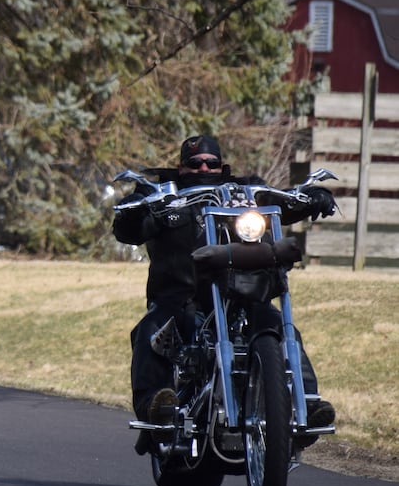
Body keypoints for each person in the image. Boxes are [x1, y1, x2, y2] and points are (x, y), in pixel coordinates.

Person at [112, 133, 338, 454]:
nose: (204, 168)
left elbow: (278, 203)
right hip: (180, 297)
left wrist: (310, 196)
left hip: (238, 295)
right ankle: (156, 404)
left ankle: (308, 402)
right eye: (195, 163)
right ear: (181, 166)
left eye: (211, 163)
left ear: (221, 165)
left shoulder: (241, 191)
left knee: (274, 321)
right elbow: (129, 230)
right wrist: (134, 210)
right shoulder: (164, 195)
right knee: (153, 327)